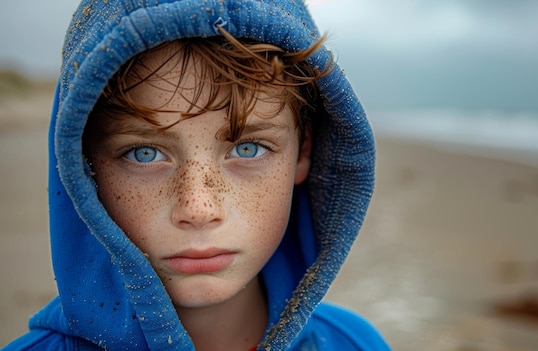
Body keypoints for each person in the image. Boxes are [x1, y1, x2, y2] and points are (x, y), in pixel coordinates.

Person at [3, 0, 389, 350]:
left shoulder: (356, 343)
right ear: (82, 169)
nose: (199, 209)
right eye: (144, 153)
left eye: (248, 148)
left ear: (303, 153)